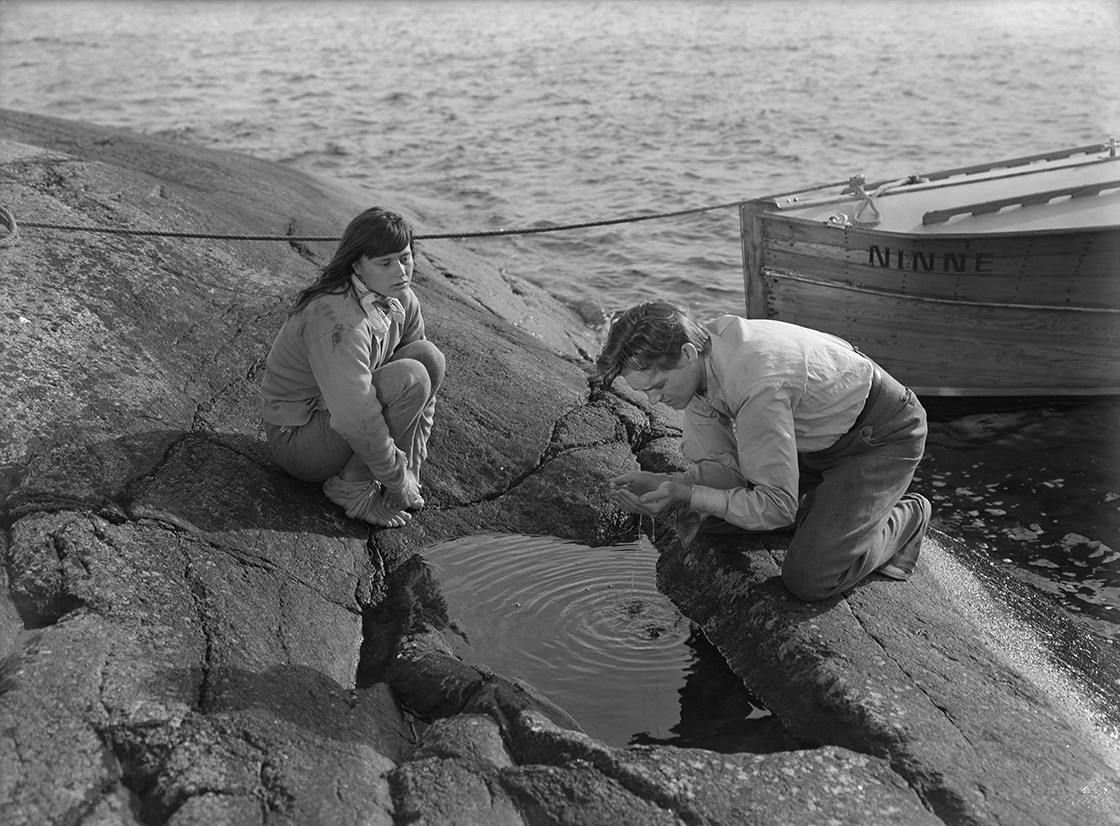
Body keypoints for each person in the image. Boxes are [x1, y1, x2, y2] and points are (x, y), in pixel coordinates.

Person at [597, 300, 930, 601]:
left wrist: (689, 492)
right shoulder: (700, 365)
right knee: (704, 516)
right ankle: (824, 510)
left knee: (808, 579)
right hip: (815, 437)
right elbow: (725, 470)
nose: (655, 401)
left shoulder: (754, 382)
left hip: (881, 437)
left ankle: (908, 517)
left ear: (686, 353)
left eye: (658, 387)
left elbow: (778, 506)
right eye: (646, 392)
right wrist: (667, 484)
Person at [260, 207, 445, 528]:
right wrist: (394, 478)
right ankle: (352, 486)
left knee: (429, 357)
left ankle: (395, 471)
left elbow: (423, 392)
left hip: (341, 416)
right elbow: (355, 416)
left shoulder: (402, 299)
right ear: (356, 264)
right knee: (411, 378)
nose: (400, 271)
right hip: (299, 441)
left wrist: (406, 469)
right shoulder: (339, 320)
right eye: (384, 263)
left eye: (405, 257)